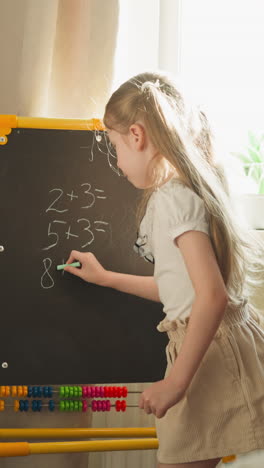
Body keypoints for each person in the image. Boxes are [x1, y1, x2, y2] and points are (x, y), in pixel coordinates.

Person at [65, 71, 264, 468]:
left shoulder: (173, 197)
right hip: (221, 343)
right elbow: (184, 289)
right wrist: (106, 278)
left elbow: (211, 295)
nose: (117, 161)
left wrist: (176, 382)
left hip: (208, 353)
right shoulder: (190, 188)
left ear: (136, 136)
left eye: (114, 145)